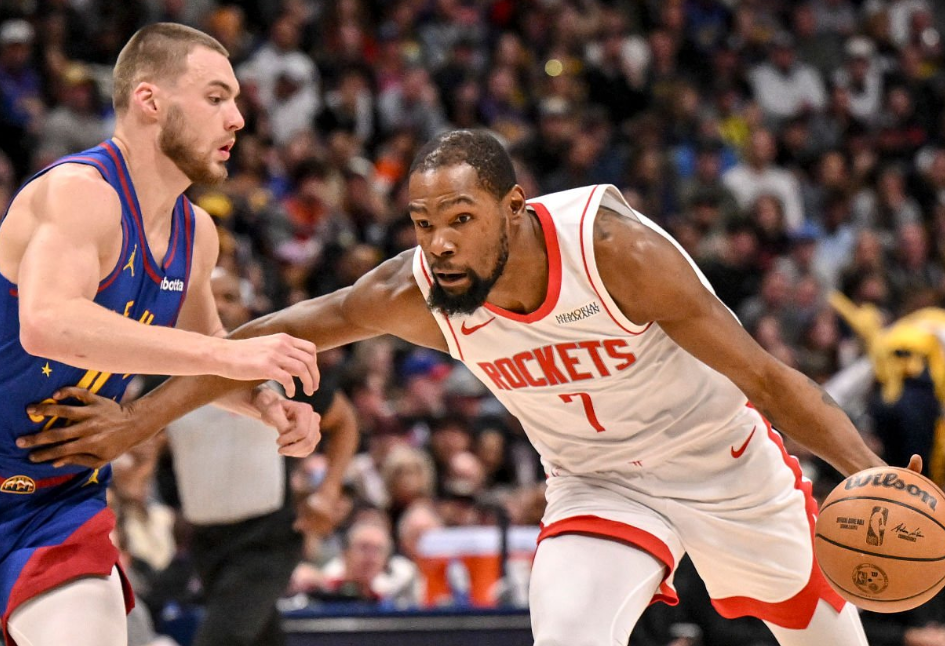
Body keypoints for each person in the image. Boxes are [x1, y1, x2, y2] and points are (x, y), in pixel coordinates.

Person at [24, 129, 923, 646]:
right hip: (597, 484)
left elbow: (765, 376)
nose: (440, 242)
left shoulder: (615, 252)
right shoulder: (416, 291)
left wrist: (869, 472)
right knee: (567, 633)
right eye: (424, 223)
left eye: (460, 219)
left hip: (723, 468)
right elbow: (262, 337)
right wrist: (134, 421)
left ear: (514, 210)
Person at [0, 23, 321, 646]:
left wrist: (264, 404)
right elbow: (47, 323)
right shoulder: (78, 192)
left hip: (53, 504)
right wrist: (225, 354)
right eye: (216, 97)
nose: (237, 119)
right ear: (149, 100)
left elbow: (209, 368)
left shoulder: (196, 233)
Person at [162, 267, 358, 646]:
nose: (220, 306)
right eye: (210, 297)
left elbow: (344, 420)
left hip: (267, 535)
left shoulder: (276, 365)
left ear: (248, 307)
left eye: (231, 297)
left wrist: (329, 490)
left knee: (223, 639)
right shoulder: (164, 372)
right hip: (204, 539)